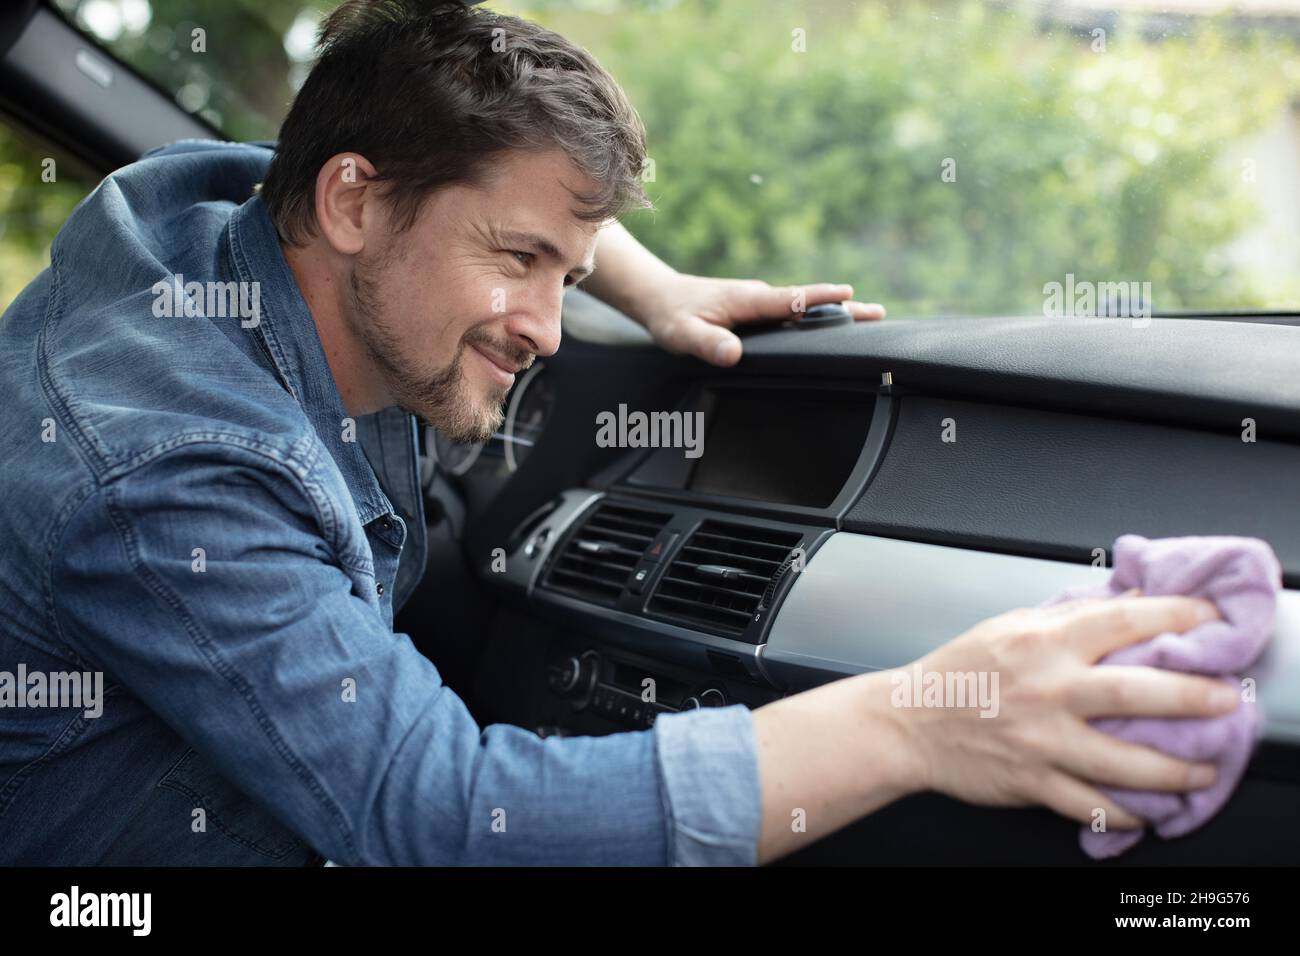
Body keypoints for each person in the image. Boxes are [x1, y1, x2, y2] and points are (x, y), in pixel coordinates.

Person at [0, 0, 1236, 866]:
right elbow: (441, 817)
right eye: (519, 258)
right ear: (353, 202)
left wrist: (642, 283)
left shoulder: (212, 213)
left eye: (572, 270)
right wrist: (918, 721)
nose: (547, 327)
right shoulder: (174, 472)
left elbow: (432, 145)